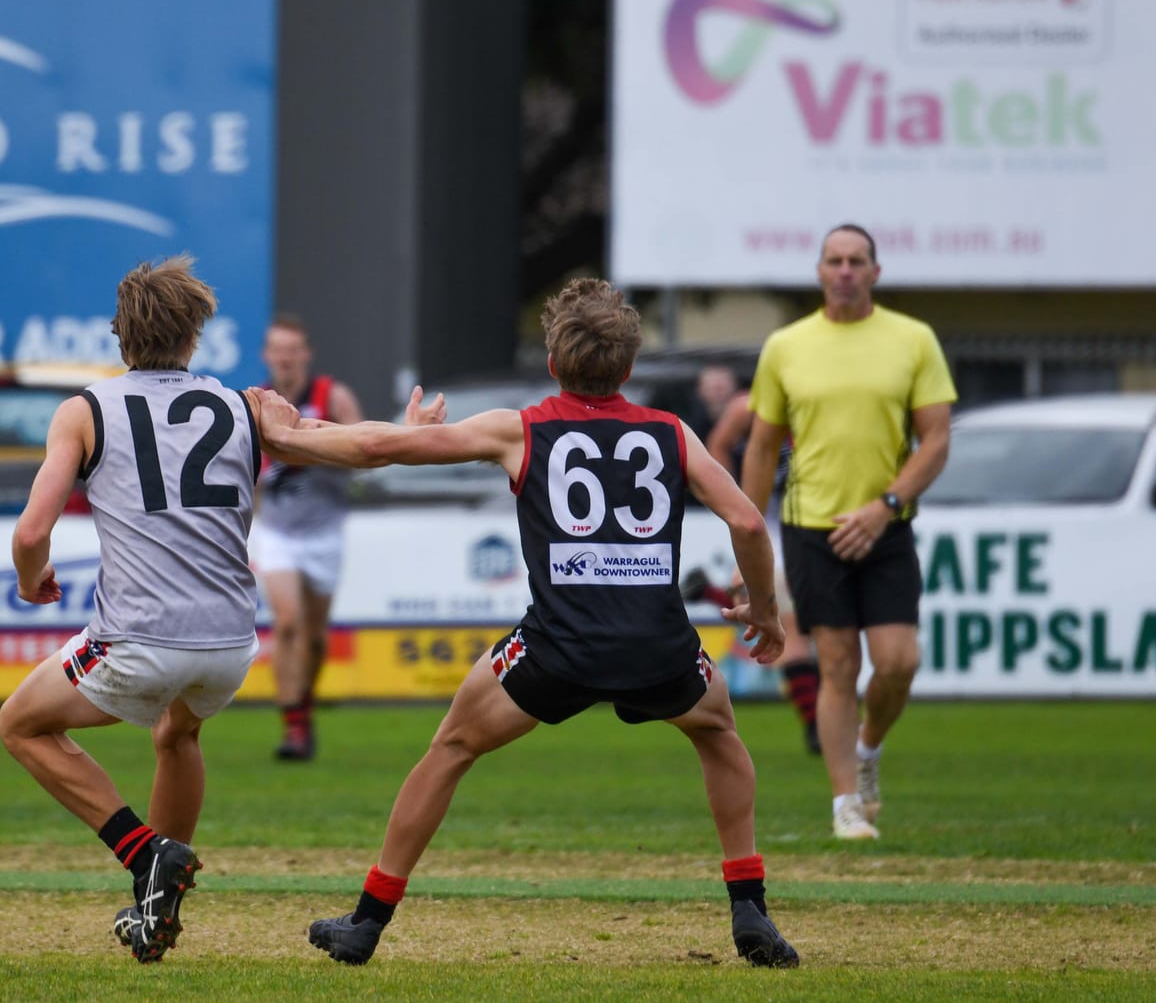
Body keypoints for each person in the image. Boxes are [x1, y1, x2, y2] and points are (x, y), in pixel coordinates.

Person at [259, 278, 798, 969]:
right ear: (629, 367)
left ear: (551, 361)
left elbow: (374, 451)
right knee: (720, 734)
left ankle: (367, 920)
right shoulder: (670, 432)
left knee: (451, 747)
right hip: (657, 644)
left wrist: (285, 433)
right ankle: (748, 906)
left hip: (557, 645)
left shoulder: (523, 427)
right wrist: (762, 606)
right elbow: (749, 521)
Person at [0, 257, 346, 963]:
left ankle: (144, 852)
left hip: (136, 638)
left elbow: (32, 532)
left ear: (119, 333)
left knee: (22, 725)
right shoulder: (243, 405)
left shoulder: (86, 409)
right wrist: (414, 433)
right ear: (195, 336)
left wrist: (33, 578)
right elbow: (355, 445)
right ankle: (156, 908)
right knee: (177, 736)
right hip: (228, 645)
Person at [740, 224, 955, 841]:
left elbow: (936, 438)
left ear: (876, 272)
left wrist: (885, 505)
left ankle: (868, 749)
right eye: (834, 260)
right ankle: (845, 806)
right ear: (818, 271)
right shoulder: (786, 345)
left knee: (898, 663)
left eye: (857, 261)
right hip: (811, 528)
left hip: (885, 528)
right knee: (836, 665)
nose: (845, 271)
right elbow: (760, 446)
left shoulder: (912, 340)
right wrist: (746, 531)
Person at [250, 314, 363, 760]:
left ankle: (304, 708)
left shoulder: (332, 397)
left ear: (306, 355)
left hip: (324, 529)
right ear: (267, 355)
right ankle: (292, 726)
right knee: (289, 622)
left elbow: (364, 448)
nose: (285, 358)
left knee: (315, 638)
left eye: (293, 349)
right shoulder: (256, 403)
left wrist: (313, 448)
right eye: (278, 349)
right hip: (277, 530)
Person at [706, 381, 822, 755]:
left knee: (814, 633)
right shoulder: (748, 408)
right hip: (770, 532)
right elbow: (718, 444)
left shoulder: (823, 405)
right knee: (792, 629)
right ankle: (816, 724)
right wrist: (730, 494)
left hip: (815, 528)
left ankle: (821, 721)